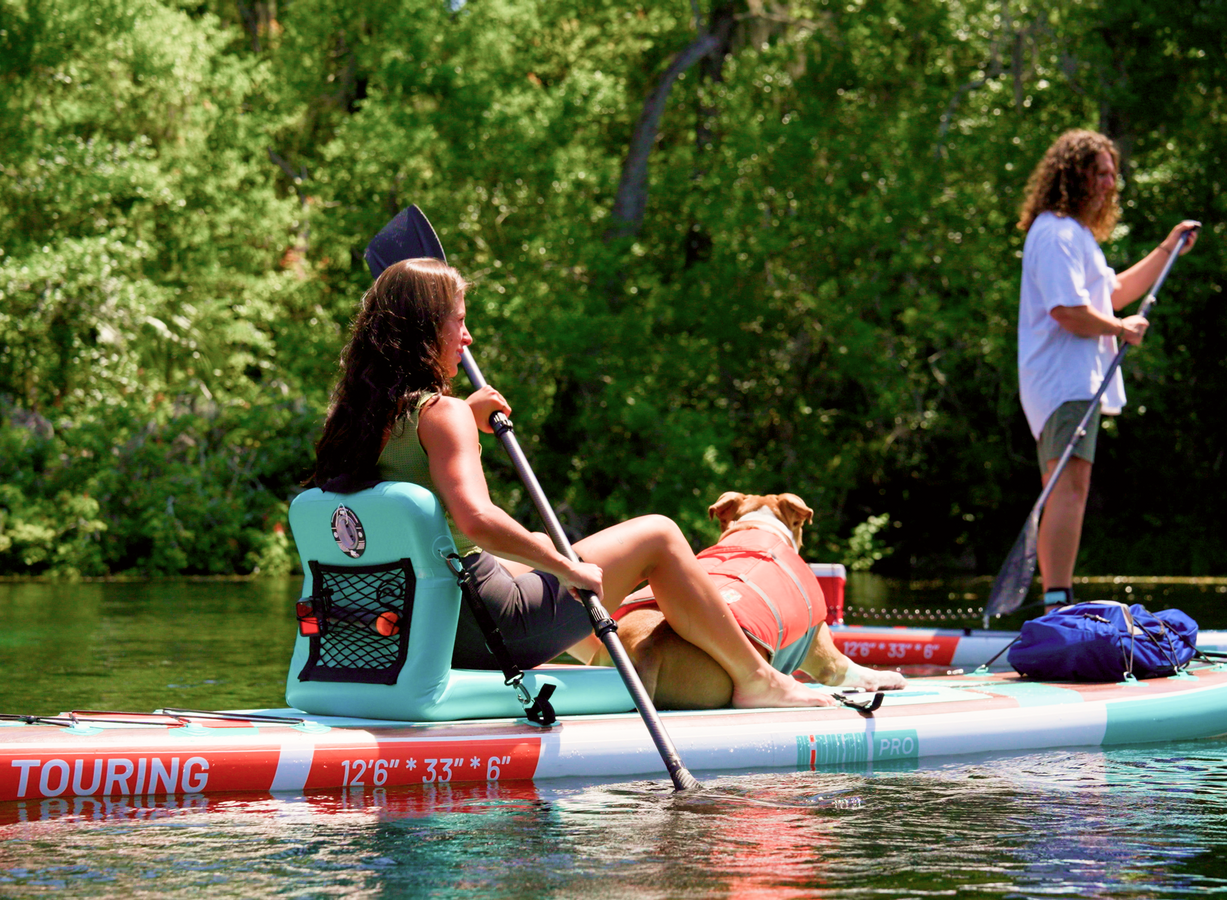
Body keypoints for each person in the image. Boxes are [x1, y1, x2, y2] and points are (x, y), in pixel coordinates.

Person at [308, 257, 833, 709]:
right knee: (659, 534)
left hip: (401, 629)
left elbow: (411, 472)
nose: (467, 338)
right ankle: (758, 679)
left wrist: (467, 419)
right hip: (486, 632)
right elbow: (477, 520)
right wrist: (567, 568)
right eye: (459, 323)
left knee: (535, 543)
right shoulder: (441, 416)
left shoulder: (353, 421)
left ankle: (619, 659)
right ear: (424, 332)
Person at [1016, 129, 1198, 609]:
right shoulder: (1054, 232)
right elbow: (1067, 311)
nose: (1109, 184)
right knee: (1068, 485)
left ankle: (1059, 599)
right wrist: (1119, 329)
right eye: (1099, 173)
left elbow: (1109, 292)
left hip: (1077, 382)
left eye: (1113, 174)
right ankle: (1058, 603)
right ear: (1072, 176)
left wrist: (1166, 251)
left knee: (1073, 484)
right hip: (1061, 381)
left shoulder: (1074, 236)